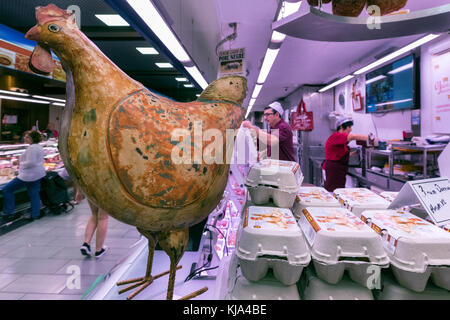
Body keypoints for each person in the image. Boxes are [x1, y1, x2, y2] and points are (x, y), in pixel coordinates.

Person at [323, 117, 377, 192]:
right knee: (333, 191)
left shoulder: (340, 140)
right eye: (349, 127)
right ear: (342, 126)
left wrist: (354, 153)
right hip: (334, 170)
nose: (351, 129)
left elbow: (340, 154)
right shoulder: (336, 136)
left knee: (338, 191)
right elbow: (353, 137)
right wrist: (372, 139)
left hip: (338, 169)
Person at [2, 130, 46, 221]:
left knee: (7, 189)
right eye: (25, 137)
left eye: (27, 137)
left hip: (28, 175)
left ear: (32, 138)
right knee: (34, 193)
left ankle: (9, 212)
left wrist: (19, 163)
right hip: (37, 174)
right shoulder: (38, 147)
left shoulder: (32, 148)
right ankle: (35, 214)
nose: (25, 138)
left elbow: (31, 162)